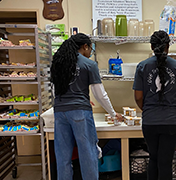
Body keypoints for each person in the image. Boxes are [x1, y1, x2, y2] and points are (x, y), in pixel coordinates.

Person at [50, 33, 123, 180]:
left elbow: (54, 90)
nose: (91, 53)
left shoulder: (58, 62)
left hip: (60, 112)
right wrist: (113, 113)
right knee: (88, 155)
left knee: (63, 156)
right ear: (85, 47)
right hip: (80, 114)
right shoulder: (89, 64)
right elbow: (99, 94)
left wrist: (69, 99)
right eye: (91, 49)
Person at [133, 30, 176, 180]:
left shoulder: (142, 66)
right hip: (171, 121)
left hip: (150, 121)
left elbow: (138, 97)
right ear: (168, 46)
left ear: (151, 46)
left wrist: (146, 109)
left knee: (153, 159)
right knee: (165, 162)